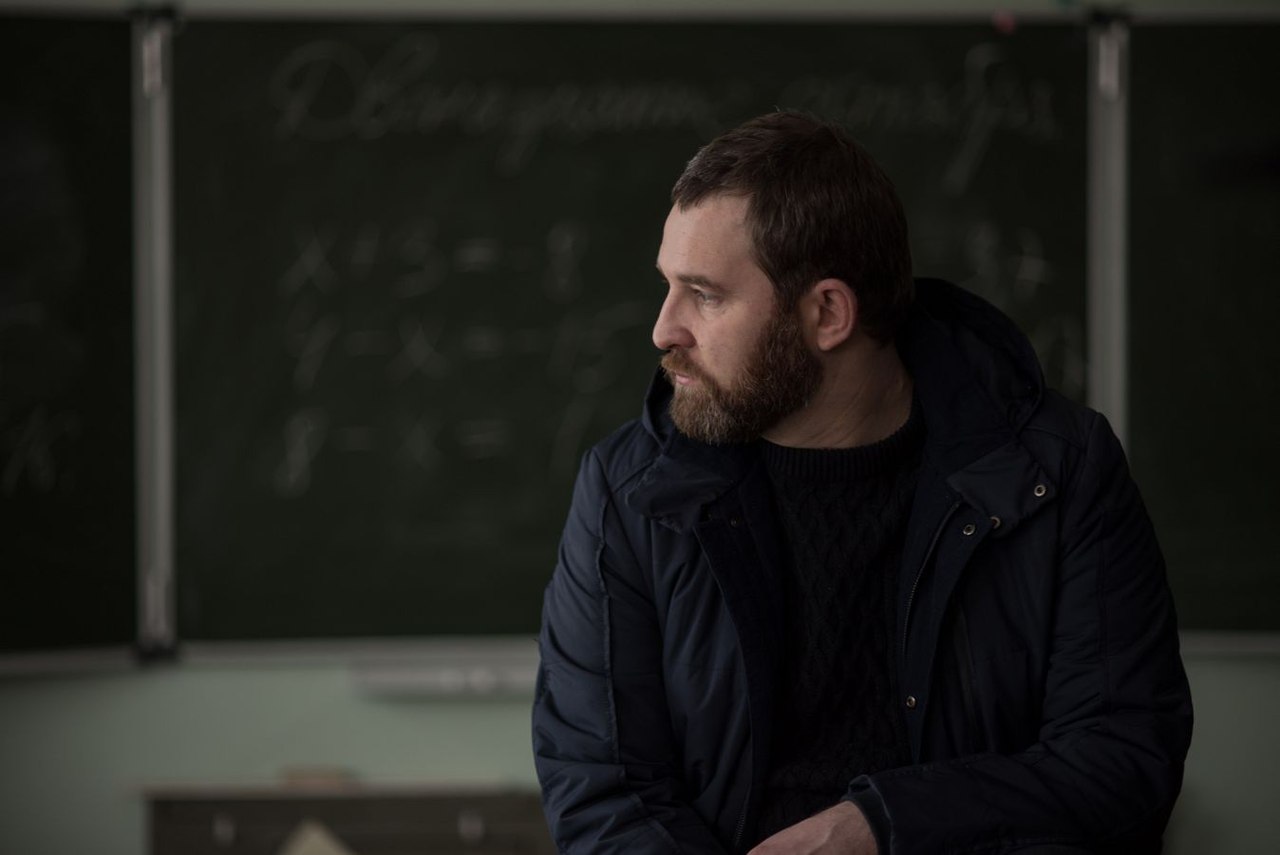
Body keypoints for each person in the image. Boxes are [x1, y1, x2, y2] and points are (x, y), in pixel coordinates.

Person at [531, 111, 1192, 854]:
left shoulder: (1059, 472)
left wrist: (883, 827)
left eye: (704, 294)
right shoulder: (628, 491)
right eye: (667, 286)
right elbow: (603, 788)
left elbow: (1122, 762)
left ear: (828, 313)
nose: (663, 329)